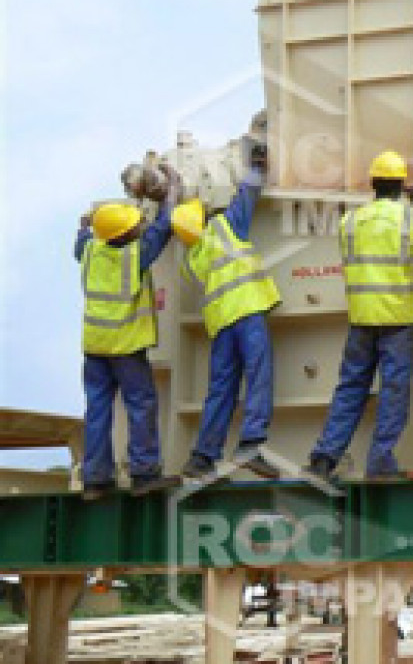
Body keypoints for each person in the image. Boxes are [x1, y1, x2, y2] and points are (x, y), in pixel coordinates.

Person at [306, 151, 413, 482]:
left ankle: (324, 458)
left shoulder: (350, 222)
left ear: (373, 183)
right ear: (401, 184)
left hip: (362, 318)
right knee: (393, 391)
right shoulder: (408, 216)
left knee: (350, 389)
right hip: (396, 317)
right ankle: (380, 461)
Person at [172, 144, 281, 480]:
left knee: (220, 389)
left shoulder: (190, 259)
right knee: (258, 376)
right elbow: (247, 195)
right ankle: (250, 445)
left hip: (220, 324)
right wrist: (257, 165)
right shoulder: (224, 227)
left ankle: (202, 456)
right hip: (247, 311)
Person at [77, 164, 183, 500]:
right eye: (132, 225)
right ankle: (144, 473)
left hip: (94, 347)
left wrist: (87, 222)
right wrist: (172, 193)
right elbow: (162, 228)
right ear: (124, 236)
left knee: (97, 410)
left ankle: (95, 480)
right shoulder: (135, 255)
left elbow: (82, 234)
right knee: (140, 404)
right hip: (125, 347)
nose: (138, 226)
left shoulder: (89, 250)